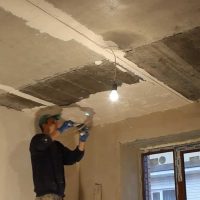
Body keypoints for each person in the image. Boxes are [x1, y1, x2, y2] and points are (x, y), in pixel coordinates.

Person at [30, 114, 89, 200]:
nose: (57, 125)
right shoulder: (37, 140)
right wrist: (61, 130)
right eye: (53, 122)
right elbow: (45, 141)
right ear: (44, 125)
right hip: (46, 196)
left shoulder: (57, 146)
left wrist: (82, 140)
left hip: (59, 196)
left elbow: (74, 158)